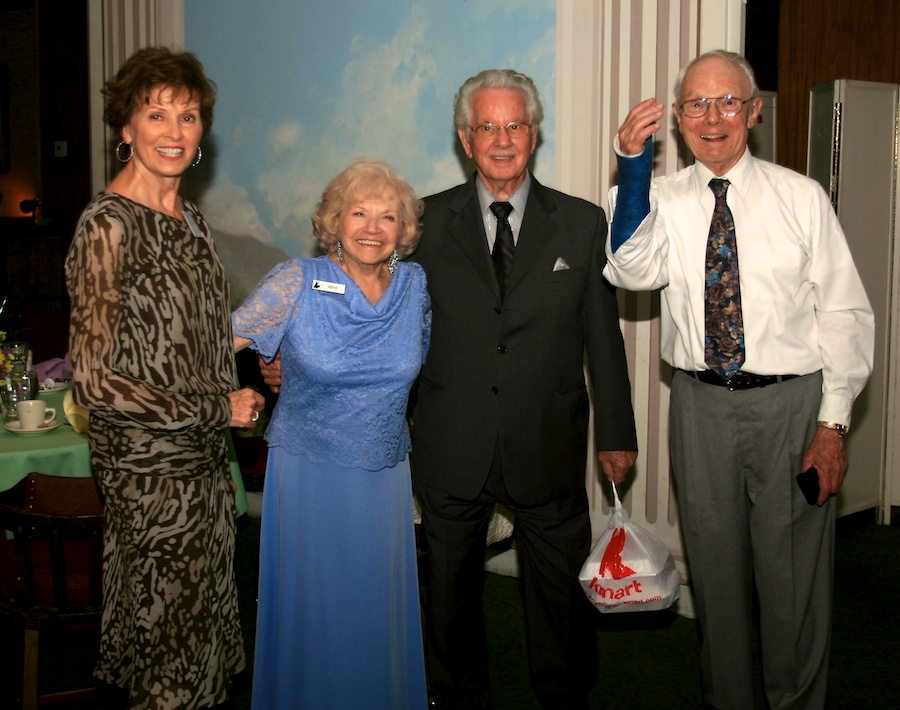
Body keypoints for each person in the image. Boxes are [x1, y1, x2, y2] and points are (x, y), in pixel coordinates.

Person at [604, 50, 874, 709]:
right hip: (699, 409)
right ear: (677, 118)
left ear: (754, 112)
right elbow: (629, 270)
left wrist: (832, 424)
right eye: (696, 103)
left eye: (729, 102)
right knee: (717, 585)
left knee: (793, 588)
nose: (713, 117)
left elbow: (844, 312)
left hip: (792, 407)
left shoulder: (800, 197)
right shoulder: (657, 198)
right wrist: (634, 168)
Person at [411, 69, 637, 709]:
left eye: (515, 125)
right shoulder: (422, 224)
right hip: (452, 442)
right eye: (487, 126)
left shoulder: (582, 223)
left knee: (560, 593)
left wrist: (617, 435)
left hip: (548, 442)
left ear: (534, 134)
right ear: (465, 137)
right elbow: (391, 324)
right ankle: (453, 696)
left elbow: (603, 337)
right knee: (448, 594)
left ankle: (564, 694)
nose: (502, 139)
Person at [65, 47, 264, 709]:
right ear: (125, 127)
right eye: (157, 114)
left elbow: (189, 337)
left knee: (195, 652)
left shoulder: (191, 222)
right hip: (150, 480)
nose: (175, 130)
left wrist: (259, 350)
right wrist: (215, 411)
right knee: (170, 665)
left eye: (188, 115)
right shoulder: (108, 228)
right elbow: (95, 383)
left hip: (203, 470)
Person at [233, 159, 431, 709]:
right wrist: (230, 391)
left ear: (403, 230)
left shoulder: (415, 288)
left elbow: (424, 366)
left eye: (388, 216)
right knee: (319, 608)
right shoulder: (295, 279)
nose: (372, 227)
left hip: (384, 476)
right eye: (358, 213)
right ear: (333, 221)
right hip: (310, 472)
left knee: (373, 606)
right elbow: (221, 342)